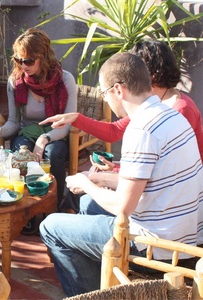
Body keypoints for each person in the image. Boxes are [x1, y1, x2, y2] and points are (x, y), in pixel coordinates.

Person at [39, 52, 203, 296]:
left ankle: (95, 294)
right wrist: (101, 180)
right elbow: (151, 182)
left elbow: (123, 207)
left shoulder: (141, 129)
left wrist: (86, 181)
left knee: (50, 226)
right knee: (87, 203)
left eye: (104, 94)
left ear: (118, 90)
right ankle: (106, 281)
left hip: (159, 249)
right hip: (187, 237)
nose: (106, 101)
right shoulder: (171, 114)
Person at [41, 40, 203, 212]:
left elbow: (167, 173)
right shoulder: (150, 105)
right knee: (85, 189)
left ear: (151, 74)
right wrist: (76, 118)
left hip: (167, 203)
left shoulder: (179, 110)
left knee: (84, 200)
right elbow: (115, 130)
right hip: (152, 191)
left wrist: (114, 172)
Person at [0, 28, 77, 234]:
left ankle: (53, 210)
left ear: (44, 57)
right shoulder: (16, 82)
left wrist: (44, 138)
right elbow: (14, 122)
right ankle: (28, 210)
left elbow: (67, 124)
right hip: (26, 132)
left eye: (29, 61)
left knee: (53, 154)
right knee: (20, 152)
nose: (23, 66)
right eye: (19, 60)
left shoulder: (65, 80)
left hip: (56, 133)